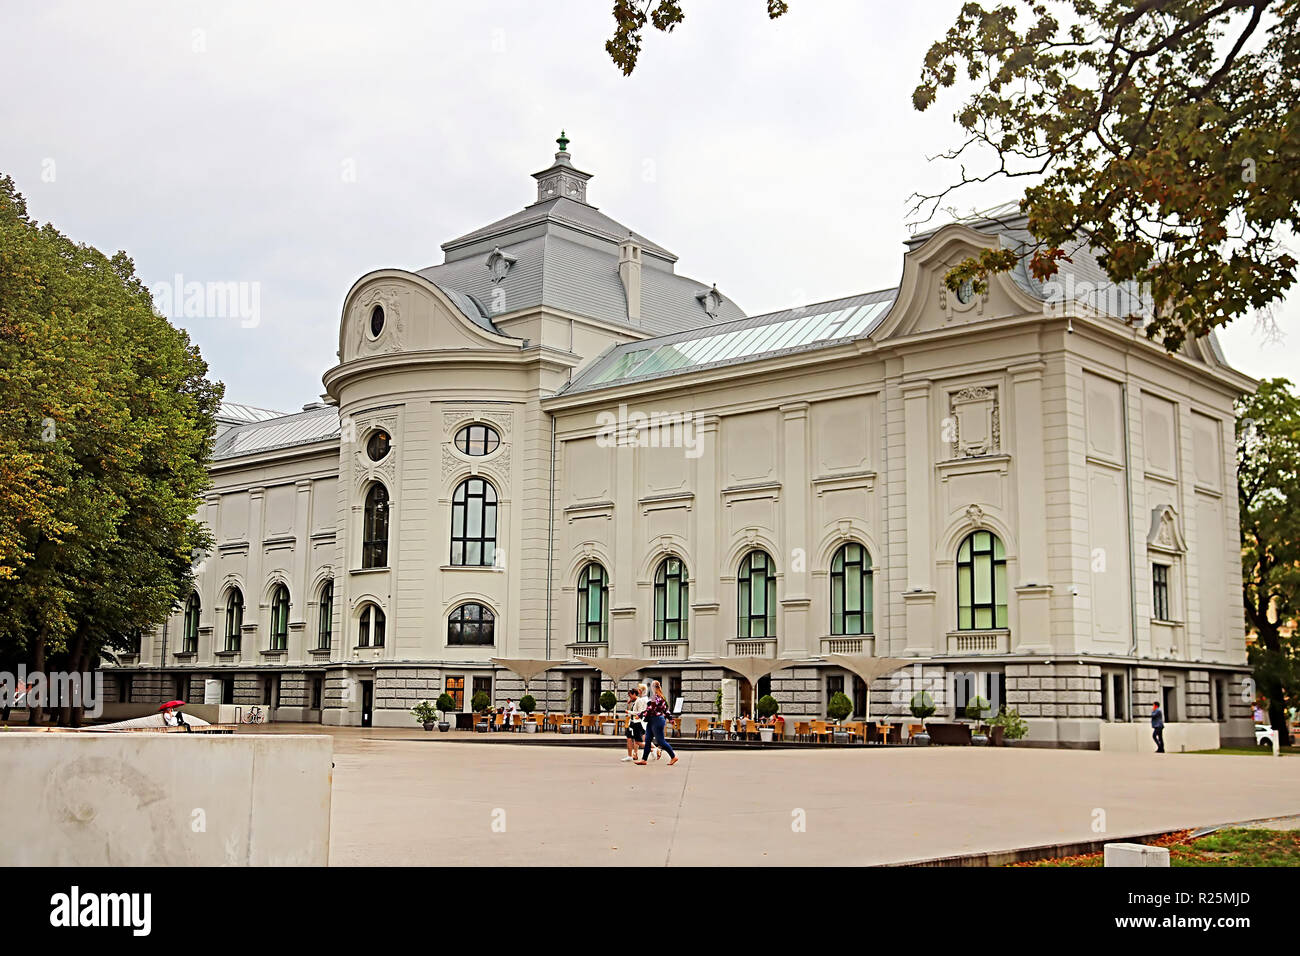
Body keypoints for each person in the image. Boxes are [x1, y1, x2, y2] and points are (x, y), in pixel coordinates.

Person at [635, 680, 678, 766]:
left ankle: (673, 757)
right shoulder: (661, 697)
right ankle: (644, 759)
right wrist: (671, 719)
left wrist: (640, 715)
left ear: (653, 687)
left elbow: (650, 709)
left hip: (656, 720)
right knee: (647, 740)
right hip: (653, 720)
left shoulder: (655, 697)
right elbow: (666, 710)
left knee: (661, 741)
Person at [622, 687, 643, 762]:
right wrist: (630, 703)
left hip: (636, 723)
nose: (629, 697)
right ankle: (630, 755)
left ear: (634, 694)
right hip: (632, 723)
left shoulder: (639, 701)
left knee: (638, 741)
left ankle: (654, 750)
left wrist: (629, 712)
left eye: (630, 695)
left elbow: (640, 712)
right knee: (629, 738)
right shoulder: (634, 701)